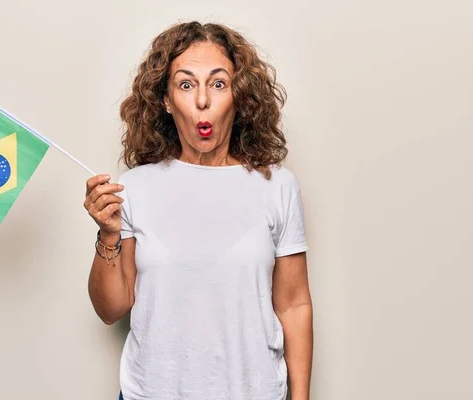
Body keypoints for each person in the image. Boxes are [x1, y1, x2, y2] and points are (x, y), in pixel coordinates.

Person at [83, 21, 313, 400]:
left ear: (239, 97)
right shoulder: (134, 187)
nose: (203, 100)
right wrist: (108, 234)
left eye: (218, 83)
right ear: (166, 99)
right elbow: (112, 309)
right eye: (186, 84)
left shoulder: (278, 187)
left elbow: (293, 304)